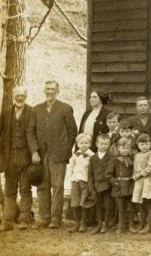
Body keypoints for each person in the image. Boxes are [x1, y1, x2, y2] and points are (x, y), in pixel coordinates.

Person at [32, 79, 77, 229]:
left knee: (57, 186)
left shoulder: (65, 108)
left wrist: (66, 151)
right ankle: (44, 217)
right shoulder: (37, 109)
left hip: (58, 154)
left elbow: (72, 132)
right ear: (44, 91)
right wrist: (34, 151)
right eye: (47, 89)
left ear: (57, 91)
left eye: (52, 89)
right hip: (41, 154)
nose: (49, 91)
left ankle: (56, 218)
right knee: (42, 185)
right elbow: (31, 132)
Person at [0, 86, 38, 231]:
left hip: (26, 158)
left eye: (22, 95)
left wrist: (35, 152)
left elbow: (34, 134)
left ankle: (24, 219)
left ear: (25, 97)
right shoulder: (6, 113)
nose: (20, 97)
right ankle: (7, 221)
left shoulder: (32, 112)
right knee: (10, 190)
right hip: (10, 158)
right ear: (13, 96)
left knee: (25, 189)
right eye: (17, 95)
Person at [107, 136, 135, 234]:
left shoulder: (132, 159)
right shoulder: (114, 160)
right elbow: (108, 174)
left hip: (130, 186)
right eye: (123, 148)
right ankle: (120, 226)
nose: (125, 150)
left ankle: (131, 225)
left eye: (128, 148)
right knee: (120, 208)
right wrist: (115, 182)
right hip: (119, 187)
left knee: (130, 207)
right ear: (118, 148)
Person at [68, 133, 94, 233]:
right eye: (81, 143)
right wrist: (70, 178)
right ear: (77, 144)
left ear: (90, 144)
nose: (83, 145)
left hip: (85, 181)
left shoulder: (92, 155)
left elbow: (92, 170)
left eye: (86, 143)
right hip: (75, 180)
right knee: (75, 201)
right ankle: (76, 223)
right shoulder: (75, 154)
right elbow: (71, 166)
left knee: (84, 201)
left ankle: (83, 223)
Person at [131, 133, 151, 233]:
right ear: (138, 145)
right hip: (139, 182)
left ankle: (149, 225)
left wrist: (140, 174)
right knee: (140, 203)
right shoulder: (137, 155)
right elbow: (135, 167)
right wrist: (134, 175)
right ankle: (141, 223)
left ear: (150, 144)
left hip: (148, 180)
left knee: (149, 203)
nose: (144, 146)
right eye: (142, 144)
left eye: (146, 144)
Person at [88, 133, 114, 234]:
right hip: (96, 186)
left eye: (107, 144)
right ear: (97, 144)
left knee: (107, 205)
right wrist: (91, 187)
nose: (104, 146)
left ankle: (105, 224)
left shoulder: (111, 157)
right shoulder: (92, 158)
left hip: (107, 186)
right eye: (102, 143)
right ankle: (99, 223)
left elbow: (111, 172)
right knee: (98, 205)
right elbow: (90, 174)